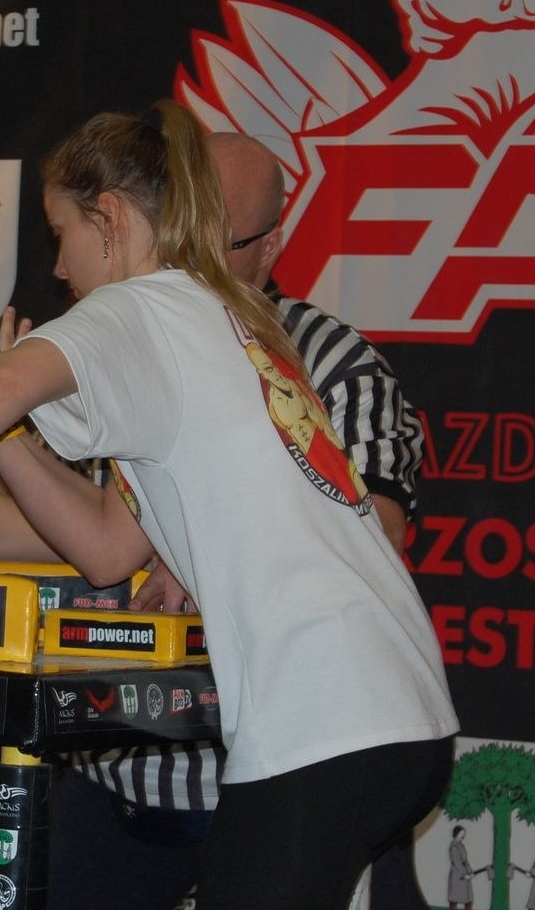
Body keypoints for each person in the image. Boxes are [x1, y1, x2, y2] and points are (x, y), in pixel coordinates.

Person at [0, 103, 459, 909]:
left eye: (61, 233)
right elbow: (107, 548)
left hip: (327, 720)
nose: (60, 267)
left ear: (110, 220)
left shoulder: (138, 307)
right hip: (397, 713)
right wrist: (0, 433)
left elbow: (1, 388)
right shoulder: (213, 315)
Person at [35, 132, 429, 910]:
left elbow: (374, 534)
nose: (185, 263)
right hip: (114, 760)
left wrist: (203, 541)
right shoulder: (114, 345)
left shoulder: (332, 360)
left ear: (269, 246)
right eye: (174, 231)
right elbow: (96, 540)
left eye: (214, 244)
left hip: (268, 763)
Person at [448, 825, 474, 910]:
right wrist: (464, 875)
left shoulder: (461, 845)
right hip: (457, 875)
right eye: (461, 834)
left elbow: (465, 860)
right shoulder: (454, 846)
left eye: (464, 834)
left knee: (468, 899)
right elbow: (457, 863)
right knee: (454, 898)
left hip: (465, 874)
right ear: (456, 834)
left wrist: (470, 871)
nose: (463, 835)